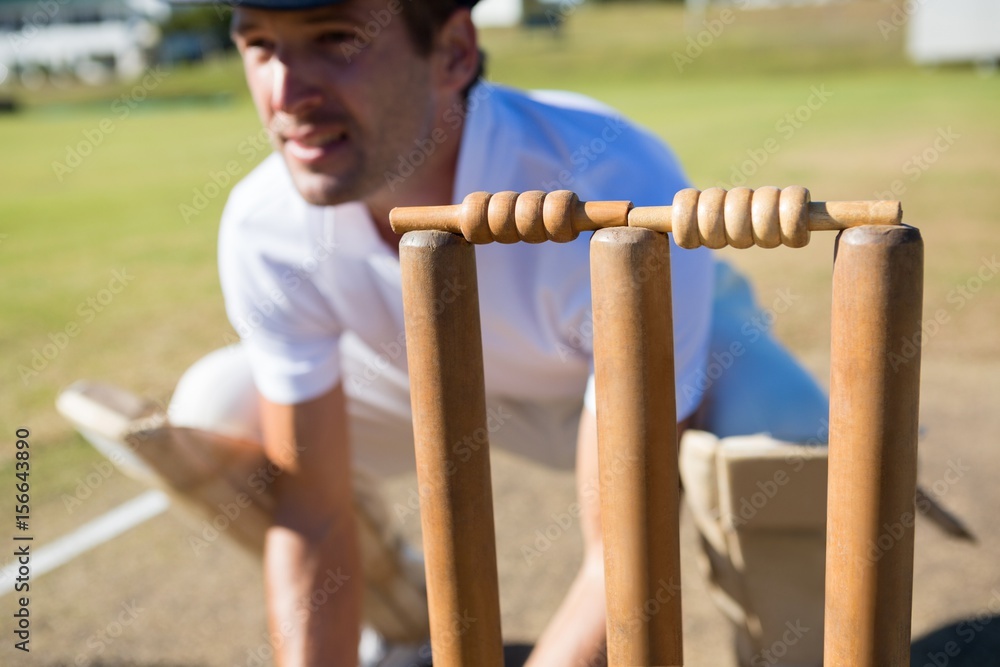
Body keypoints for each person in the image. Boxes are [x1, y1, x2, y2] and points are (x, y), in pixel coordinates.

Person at [60, 0, 834, 665]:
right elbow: (313, 513)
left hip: (635, 381)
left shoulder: (610, 180)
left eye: (335, 39)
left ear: (455, 51)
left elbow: (626, 542)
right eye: (260, 44)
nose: (285, 93)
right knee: (220, 405)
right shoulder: (265, 226)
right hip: (431, 386)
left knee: (789, 440)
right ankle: (405, 623)